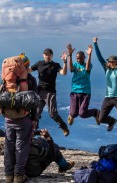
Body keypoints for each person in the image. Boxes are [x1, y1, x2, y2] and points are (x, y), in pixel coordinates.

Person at [2, 55, 33, 183]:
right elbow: (35, 101)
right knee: (21, 148)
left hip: (8, 119)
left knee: (8, 147)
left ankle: (8, 176)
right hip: (23, 119)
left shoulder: (5, 82)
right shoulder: (29, 81)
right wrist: (35, 119)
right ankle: (18, 176)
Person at [29, 48, 69, 136]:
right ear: (43, 55)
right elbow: (28, 70)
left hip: (50, 93)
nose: (48, 56)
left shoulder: (55, 65)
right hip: (39, 91)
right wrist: (23, 61)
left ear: (52, 56)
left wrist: (65, 62)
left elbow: (64, 72)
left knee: (52, 114)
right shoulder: (39, 64)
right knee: (36, 112)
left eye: (49, 54)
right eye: (46, 54)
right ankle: (33, 130)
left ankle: (64, 127)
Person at [66, 44, 100, 125]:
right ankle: (71, 115)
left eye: (81, 58)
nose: (79, 60)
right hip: (75, 91)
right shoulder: (75, 65)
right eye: (77, 58)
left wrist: (89, 55)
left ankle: (96, 112)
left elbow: (87, 68)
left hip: (85, 92)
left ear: (84, 58)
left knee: (82, 114)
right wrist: (70, 54)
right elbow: (70, 68)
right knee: (74, 114)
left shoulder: (88, 65)